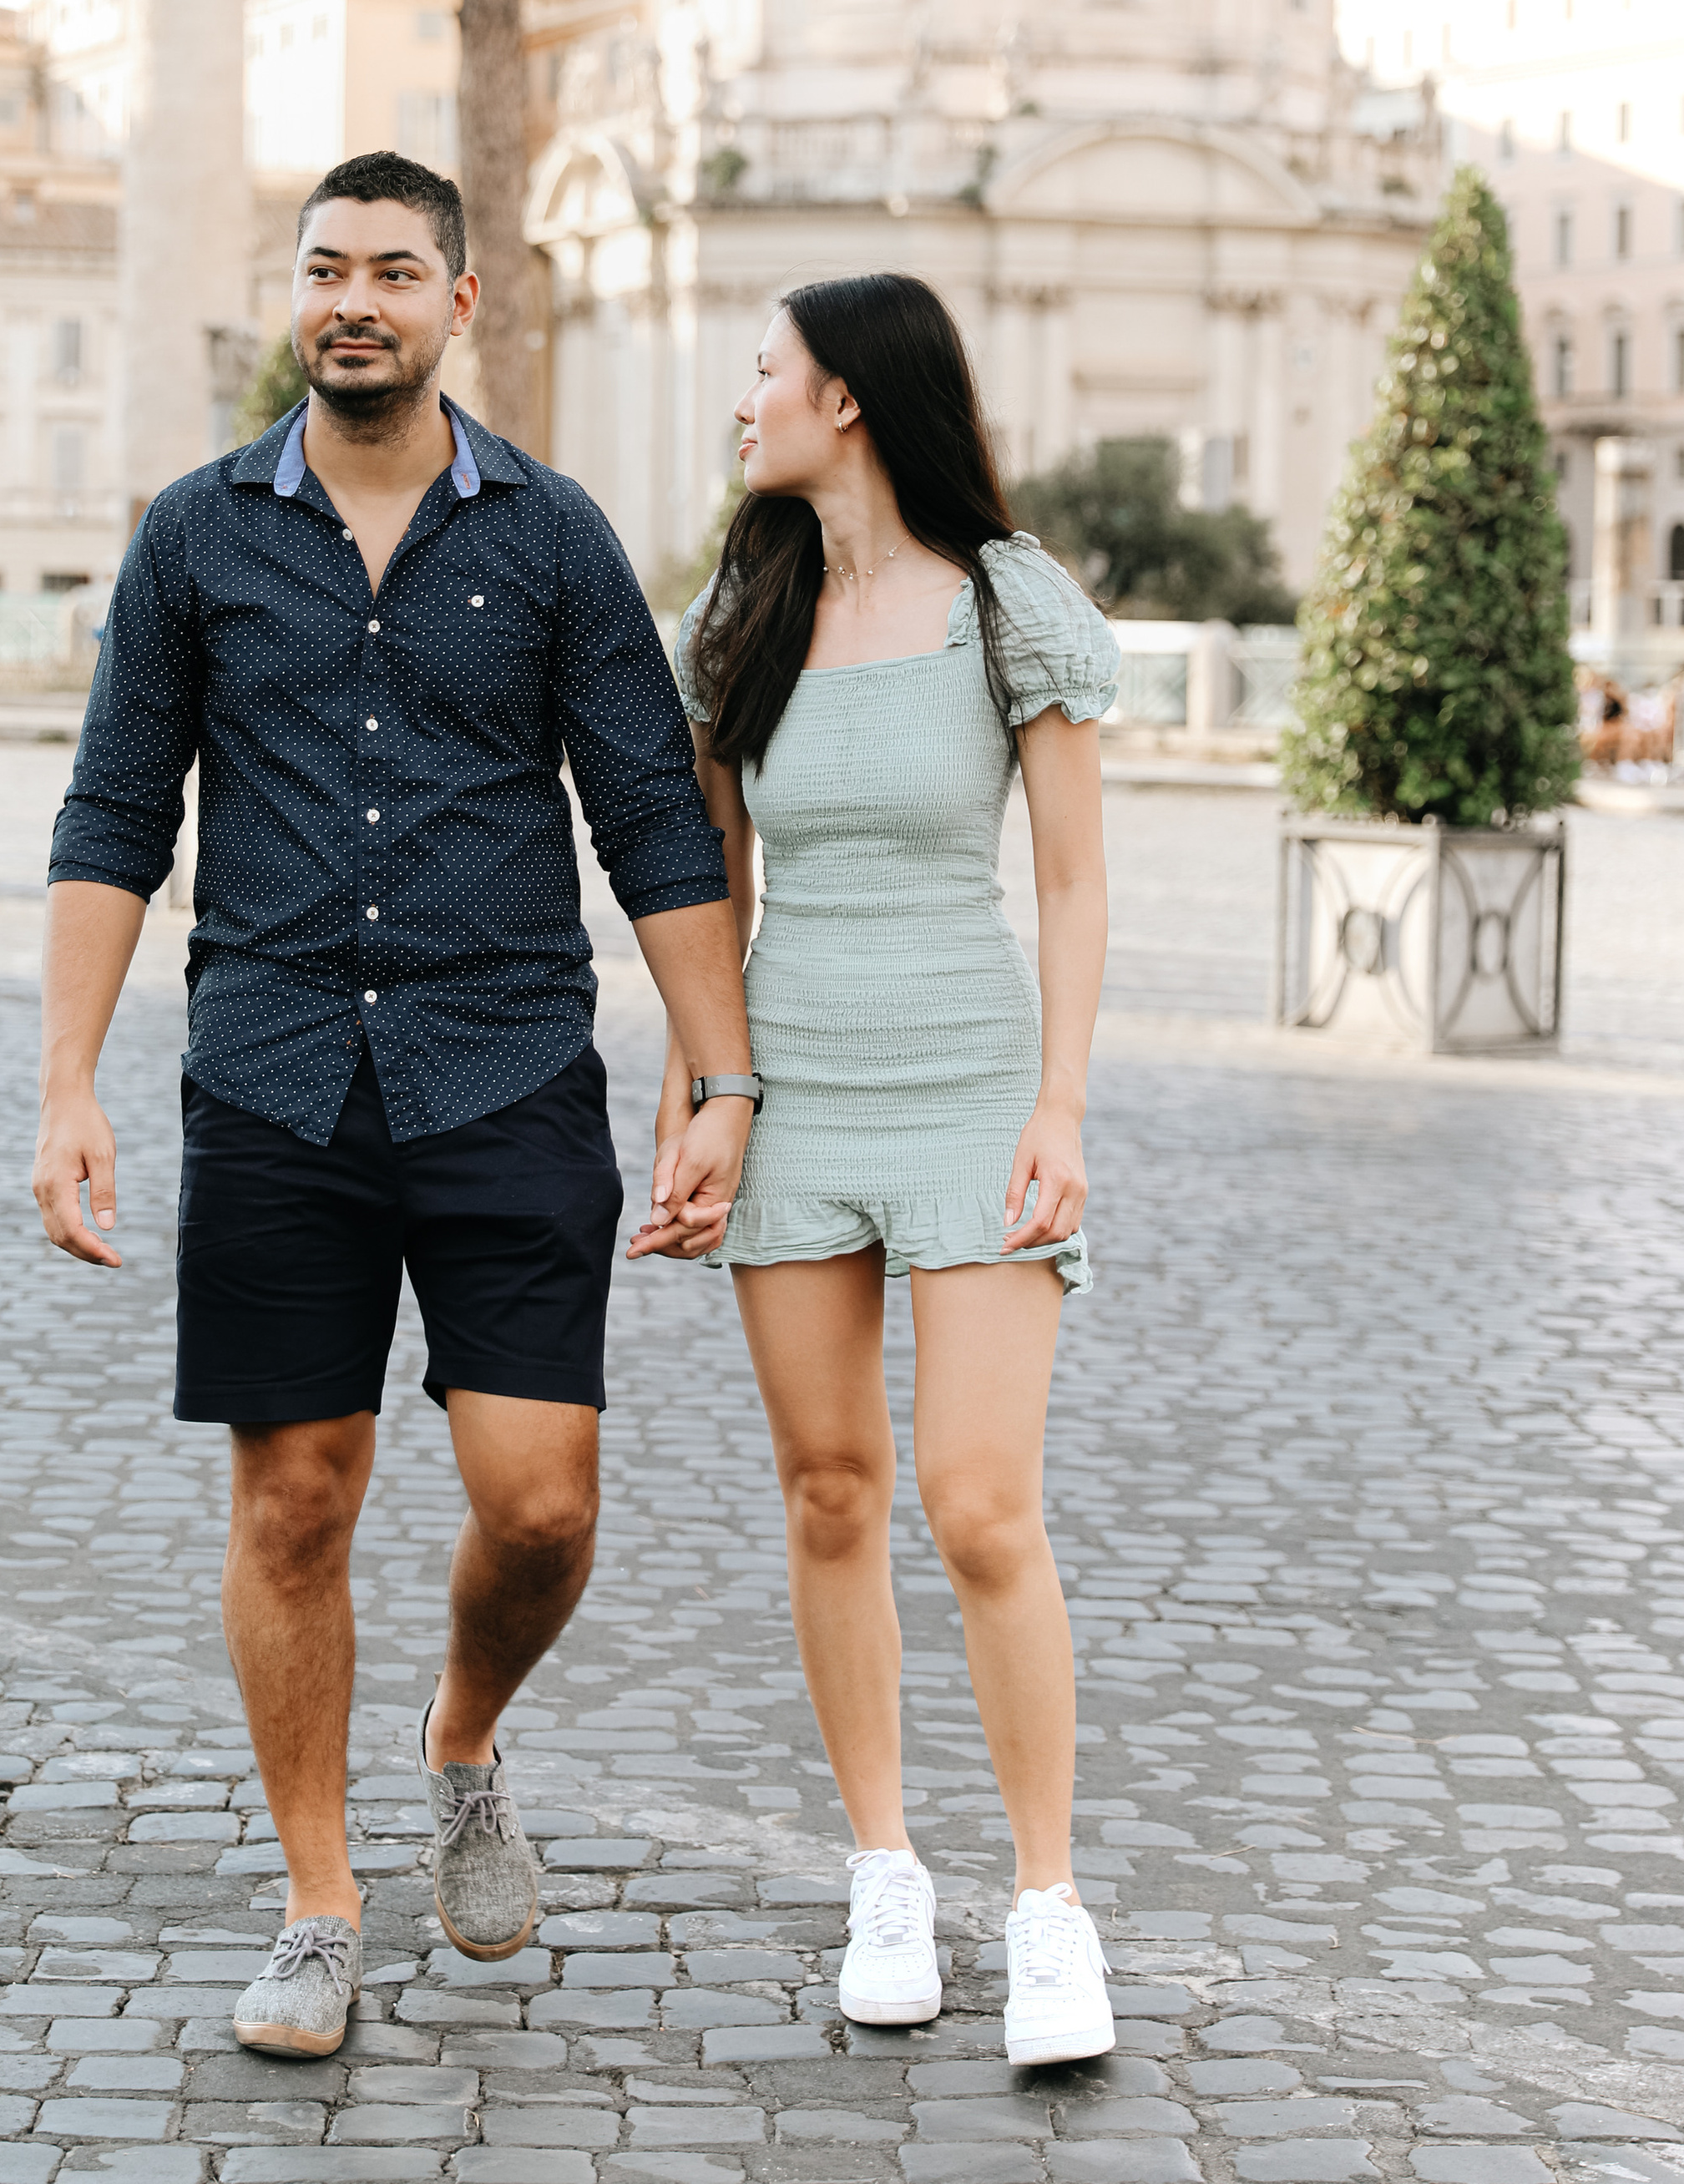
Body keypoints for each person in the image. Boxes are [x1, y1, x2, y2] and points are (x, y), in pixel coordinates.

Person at [33, 149, 757, 2060]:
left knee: (540, 1501)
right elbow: (114, 814)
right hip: (271, 1077)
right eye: (323, 269)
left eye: (391, 272)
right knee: (294, 1500)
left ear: (458, 304)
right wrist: (67, 1085)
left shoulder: (553, 537)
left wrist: (721, 1079)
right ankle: (316, 1906)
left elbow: (650, 817)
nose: (351, 301)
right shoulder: (193, 539)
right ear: (297, 295)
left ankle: (459, 1738)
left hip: (503, 1068)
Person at [660, 271, 1119, 2066]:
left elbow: (1070, 881)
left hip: (970, 1085)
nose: (743, 402)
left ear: (844, 397)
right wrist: (700, 1104)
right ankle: (885, 1873)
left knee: (980, 1503)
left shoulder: (1010, 605)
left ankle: (1048, 1905)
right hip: (794, 1092)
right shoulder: (743, 619)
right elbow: (709, 895)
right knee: (830, 1491)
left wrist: (1059, 1108)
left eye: (764, 373)